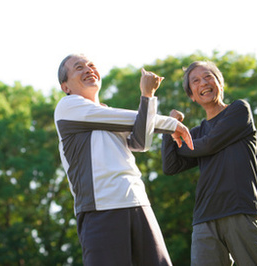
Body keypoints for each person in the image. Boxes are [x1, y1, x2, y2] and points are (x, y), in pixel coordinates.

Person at [54, 54, 194, 266]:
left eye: (91, 65)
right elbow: (133, 120)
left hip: (139, 201)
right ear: (65, 87)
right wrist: (169, 123)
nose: (88, 69)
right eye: (79, 67)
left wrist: (149, 98)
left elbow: (141, 142)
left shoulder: (108, 113)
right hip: (101, 210)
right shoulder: (68, 107)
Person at [161, 61, 257, 265]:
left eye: (208, 76)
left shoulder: (239, 111)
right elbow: (171, 166)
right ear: (192, 96)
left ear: (220, 83)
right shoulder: (196, 133)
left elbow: (208, 145)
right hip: (204, 218)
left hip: (240, 211)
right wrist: (170, 128)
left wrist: (180, 141)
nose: (204, 82)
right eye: (196, 81)